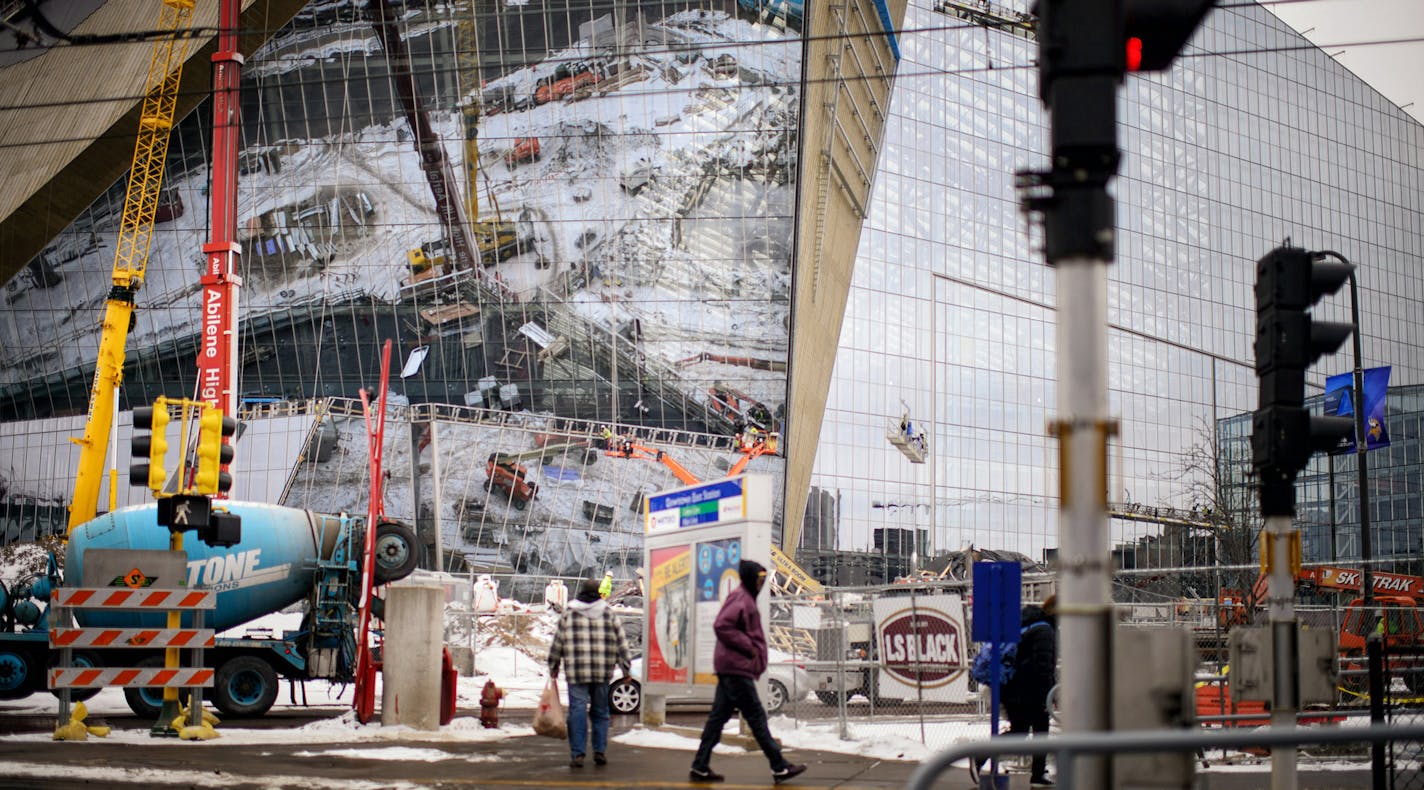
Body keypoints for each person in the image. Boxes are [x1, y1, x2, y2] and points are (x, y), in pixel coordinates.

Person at [688, 560, 807, 784]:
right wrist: (749, 647)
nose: (762, 583)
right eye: (760, 579)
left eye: (764, 579)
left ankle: (700, 766)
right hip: (736, 670)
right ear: (751, 578)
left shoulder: (743, 597)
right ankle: (779, 766)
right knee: (756, 718)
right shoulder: (742, 598)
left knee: (717, 719)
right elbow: (722, 625)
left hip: (731, 669)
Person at [547, 579, 632, 769]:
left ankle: (578, 753)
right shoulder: (608, 613)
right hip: (602, 671)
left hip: (577, 671)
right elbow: (621, 642)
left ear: (581, 593)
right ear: (599, 594)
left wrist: (553, 666)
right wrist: (626, 668)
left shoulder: (569, 613)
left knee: (577, 710)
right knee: (600, 712)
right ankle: (599, 751)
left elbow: (558, 642)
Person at [1003, 594, 1057, 787]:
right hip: (1031, 690)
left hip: (1013, 688)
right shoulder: (1045, 631)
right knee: (1041, 731)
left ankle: (982, 754)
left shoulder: (1031, 624)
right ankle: (1037, 775)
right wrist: (1048, 694)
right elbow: (1043, 665)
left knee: (1019, 731)